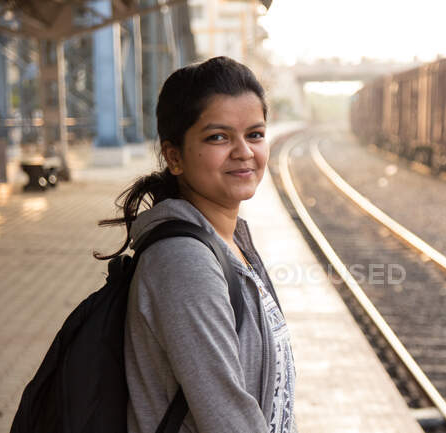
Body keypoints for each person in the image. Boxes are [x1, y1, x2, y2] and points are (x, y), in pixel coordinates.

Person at [95, 56, 297, 433]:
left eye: (254, 134)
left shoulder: (231, 241)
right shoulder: (184, 261)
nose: (244, 152)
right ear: (174, 157)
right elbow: (227, 419)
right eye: (218, 137)